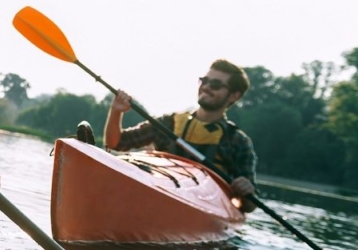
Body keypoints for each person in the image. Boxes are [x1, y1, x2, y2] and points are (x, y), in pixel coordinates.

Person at [103, 59, 258, 212]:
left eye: (216, 84)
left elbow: (249, 205)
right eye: (204, 81)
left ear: (233, 96)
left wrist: (245, 189)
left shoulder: (237, 141)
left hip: (203, 206)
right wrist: (116, 111)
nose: (206, 87)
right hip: (157, 188)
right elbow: (116, 143)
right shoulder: (169, 122)